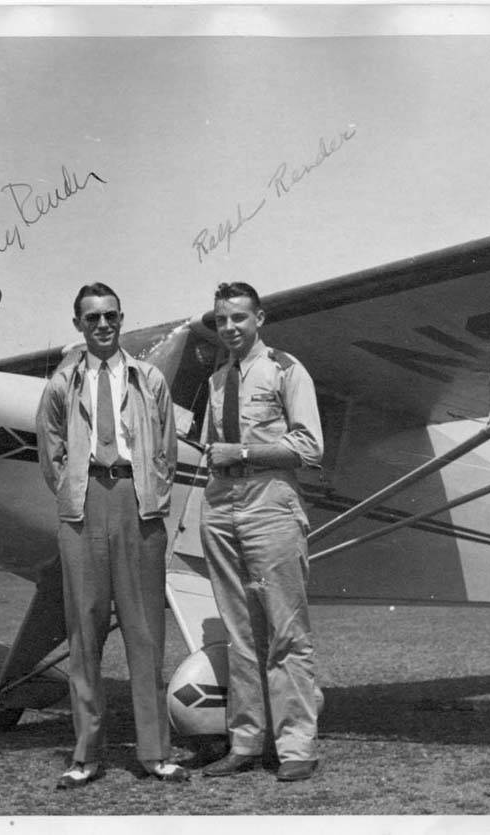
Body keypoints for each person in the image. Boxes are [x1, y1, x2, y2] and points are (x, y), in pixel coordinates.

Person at [36, 282, 189, 788]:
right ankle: (85, 755)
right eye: (91, 318)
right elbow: (51, 450)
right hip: (83, 507)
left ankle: (154, 753)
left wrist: (150, 488)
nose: (102, 325)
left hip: (137, 503)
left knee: (145, 632)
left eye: (110, 316)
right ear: (77, 323)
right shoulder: (62, 383)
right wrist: (74, 488)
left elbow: (165, 446)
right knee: (85, 631)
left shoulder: (149, 380)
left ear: (121, 320)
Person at [198, 281, 324, 783]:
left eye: (239, 318)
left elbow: (310, 448)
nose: (230, 327)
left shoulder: (285, 370)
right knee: (239, 632)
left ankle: (296, 748)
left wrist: (244, 454)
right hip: (221, 504)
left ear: (259, 319)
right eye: (222, 319)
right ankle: (246, 742)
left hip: (270, 504)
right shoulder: (217, 379)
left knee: (285, 630)